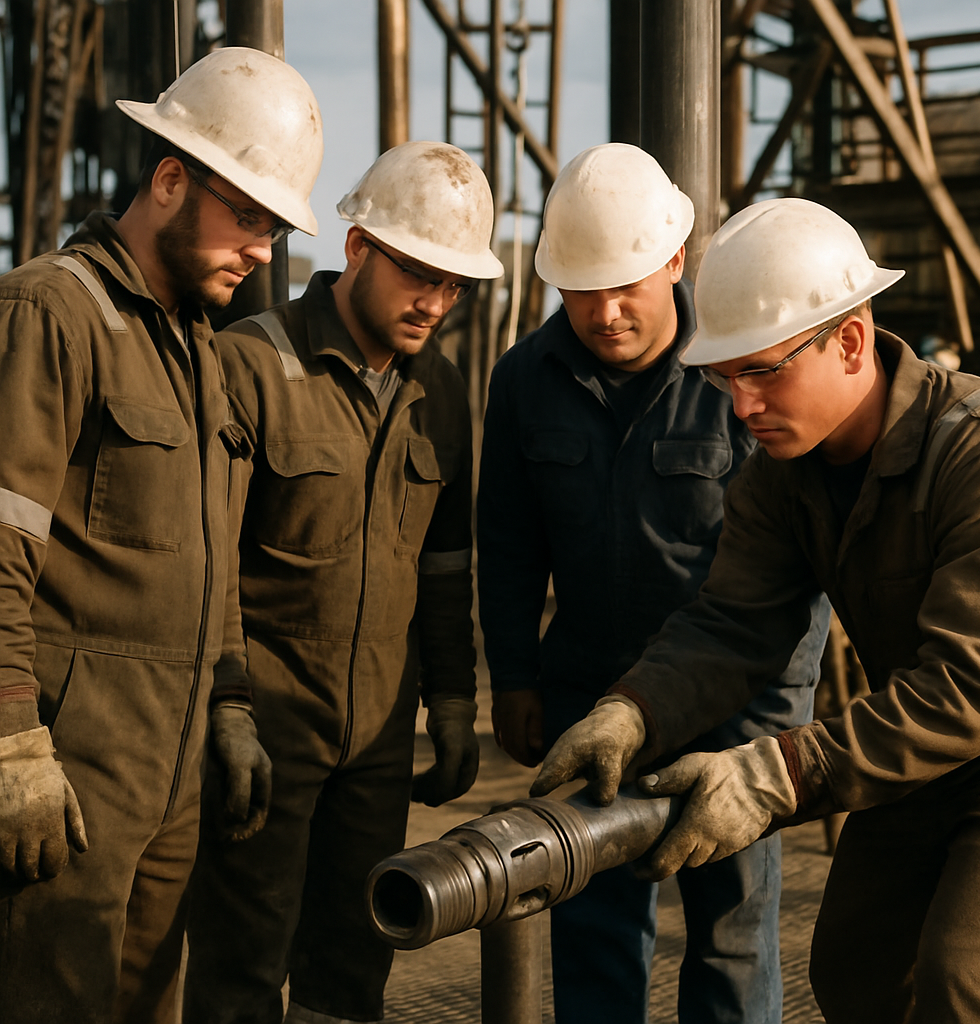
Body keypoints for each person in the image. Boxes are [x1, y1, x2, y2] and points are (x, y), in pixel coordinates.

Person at [532, 196, 980, 1024]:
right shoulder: (782, 479)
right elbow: (733, 624)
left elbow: (978, 683)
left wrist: (777, 773)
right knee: (854, 970)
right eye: (726, 378)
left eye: (763, 370)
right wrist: (630, 711)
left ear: (852, 341)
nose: (741, 406)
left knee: (968, 980)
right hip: (918, 754)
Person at [0, 46, 323, 1024]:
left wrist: (229, 704)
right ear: (171, 179)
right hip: (73, 766)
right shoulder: (55, 310)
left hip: (172, 775)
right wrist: (14, 740)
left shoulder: (198, 353)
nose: (263, 247)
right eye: (249, 215)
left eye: (274, 224)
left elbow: (212, 552)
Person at [477, 145, 829, 1024]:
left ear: (675, 260)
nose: (604, 311)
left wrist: (775, 740)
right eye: (581, 288)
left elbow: (798, 568)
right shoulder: (525, 378)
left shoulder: (739, 374)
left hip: (733, 706)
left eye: (625, 283)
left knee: (732, 940)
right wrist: (515, 680)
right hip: (588, 693)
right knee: (592, 932)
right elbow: (509, 543)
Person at [182, 140, 503, 1024]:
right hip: (264, 738)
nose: (435, 302)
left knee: (355, 968)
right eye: (418, 274)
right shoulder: (251, 362)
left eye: (453, 286)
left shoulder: (437, 390)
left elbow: (444, 566)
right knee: (242, 967)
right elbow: (208, 563)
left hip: (377, 745)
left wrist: (448, 700)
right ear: (358, 247)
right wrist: (229, 708)